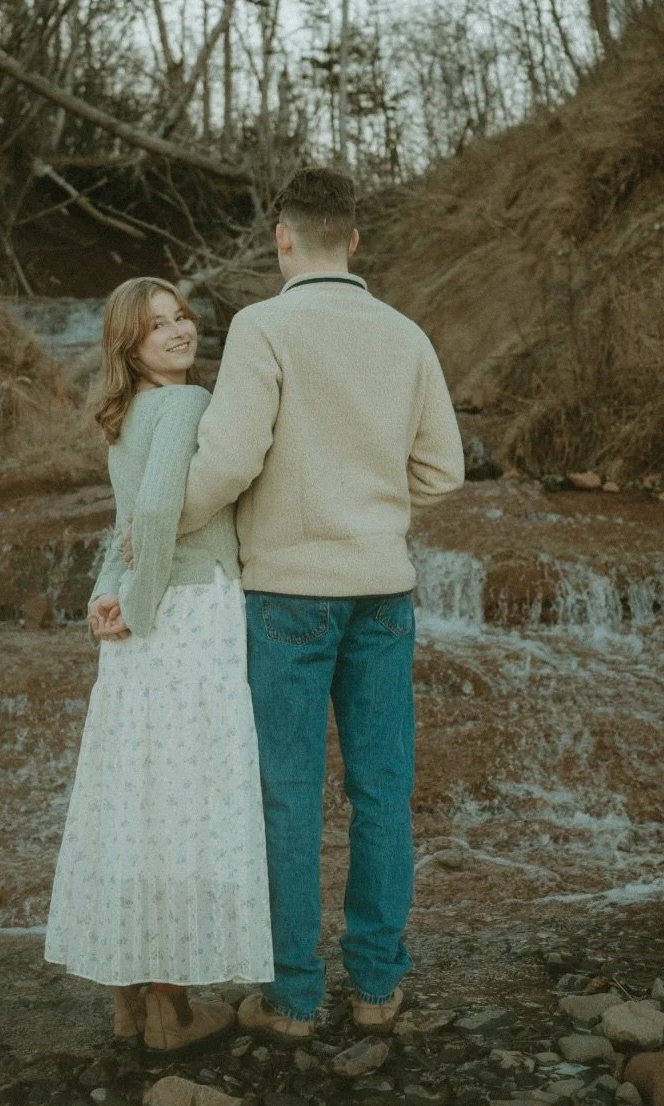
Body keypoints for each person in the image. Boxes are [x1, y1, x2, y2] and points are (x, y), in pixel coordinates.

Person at [174, 167, 465, 1040]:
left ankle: (294, 998)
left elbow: (225, 464)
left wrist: (158, 519)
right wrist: (373, 517)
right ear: (357, 240)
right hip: (383, 592)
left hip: (288, 596)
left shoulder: (265, 327)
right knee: (383, 792)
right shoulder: (406, 334)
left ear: (282, 238)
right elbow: (443, 471)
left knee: (288, 796)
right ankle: (378, 989)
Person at [43, 276, 274, 1053]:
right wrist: (139, 609)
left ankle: (127, 995)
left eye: (182, 317)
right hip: (192, 614)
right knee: (187, 798)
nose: (179, 332)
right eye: (158, 326)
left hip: (145, 622)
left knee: (133, 799)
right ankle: (171, 1007)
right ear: (129, 345)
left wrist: (109, 595)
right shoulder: (184, 405)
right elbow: (153, 512)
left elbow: (127, 524)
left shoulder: (126, 415)